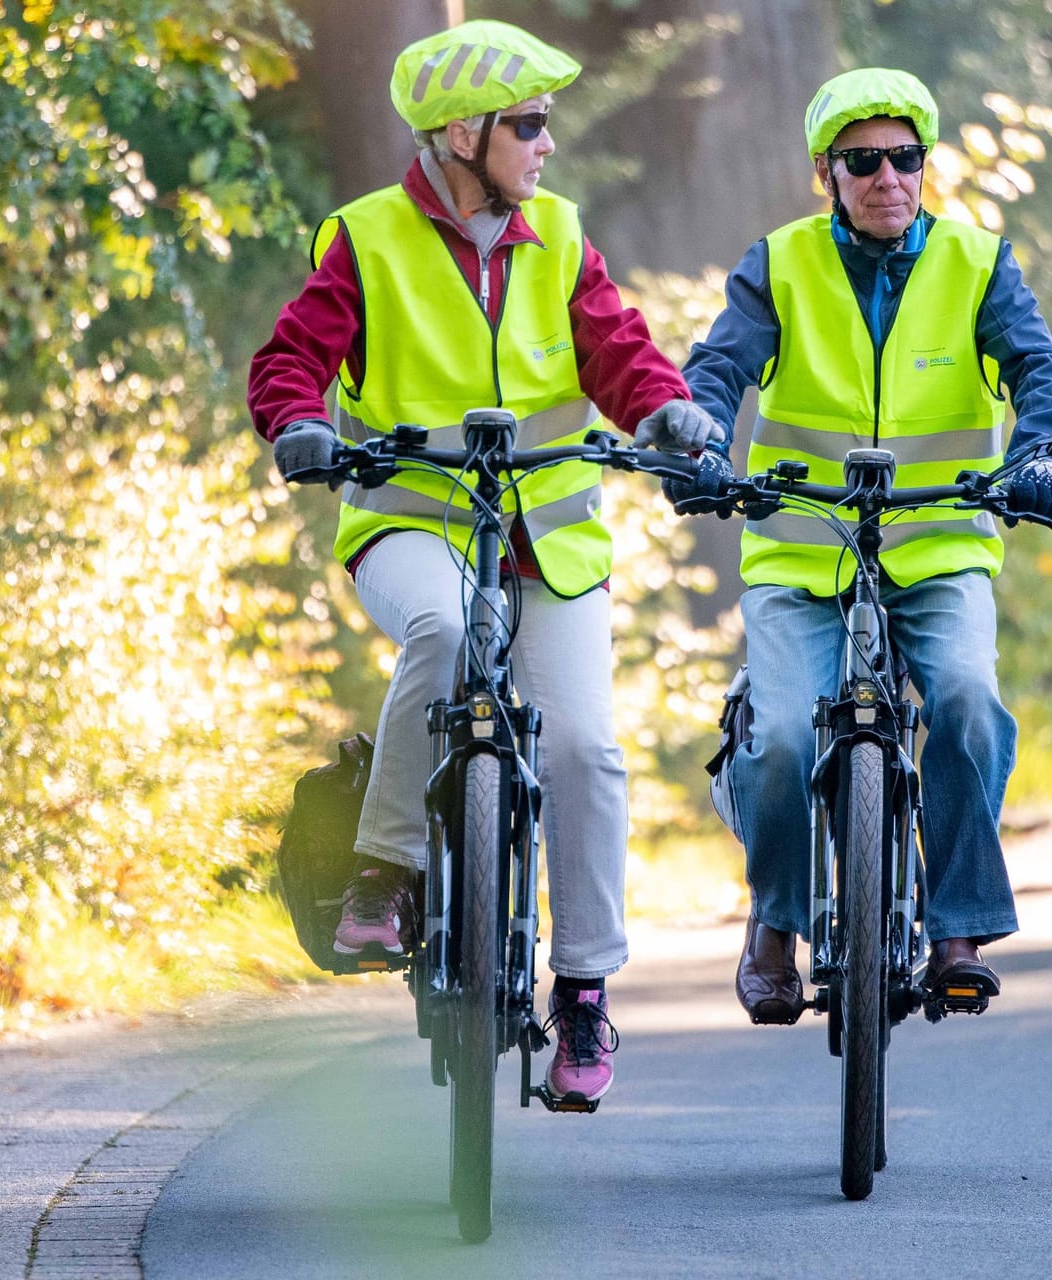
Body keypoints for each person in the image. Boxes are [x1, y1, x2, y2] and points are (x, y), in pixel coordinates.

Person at [247, 19, 718, 1104]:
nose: (547, 144)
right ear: (464, 134)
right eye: (529, 124)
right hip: (413, 524)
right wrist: (296, 425)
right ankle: (386, 872)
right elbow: (292, 360)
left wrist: (666, 409)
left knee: (589, 751)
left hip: (546, 540)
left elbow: (617, 349)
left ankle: (587, 991)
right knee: (444, 633)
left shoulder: (558, 234)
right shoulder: (366, 239)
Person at [678, 68, 1052, 1024]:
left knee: (969, 704)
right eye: (863, 162)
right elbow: (718, 368)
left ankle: (957, 927)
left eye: (905, 158)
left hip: (938, 546)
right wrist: (694, 439)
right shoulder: (777, 264)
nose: (887, 178)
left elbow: (1039, 372)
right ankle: (774, 924)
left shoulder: (979, 263)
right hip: (801, 551)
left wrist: (1042, 456)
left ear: (924, 165)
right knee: (777, 735)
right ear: (827, 172)